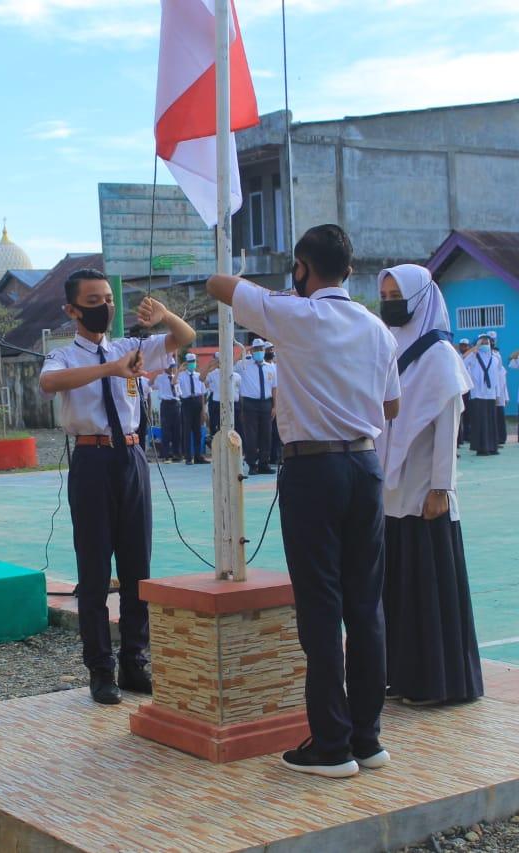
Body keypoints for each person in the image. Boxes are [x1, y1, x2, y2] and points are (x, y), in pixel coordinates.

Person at [208, 224, 399, 779]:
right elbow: (389, 407)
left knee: (321, 606)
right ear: (350, 271)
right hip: (365, 464)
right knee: (365, 606)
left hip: (314, 468)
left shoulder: (294, 313)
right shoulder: (375, 327)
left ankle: (331, 745)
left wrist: (275, 295)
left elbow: (219, 284)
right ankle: (367, 737)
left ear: (301, 268)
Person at [39, 268, 196, 704]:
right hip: (91, 459)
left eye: (108, 299)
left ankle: (134, 662)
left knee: (136, 568)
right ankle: (100, 669)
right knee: (94, 571)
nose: (104, 308)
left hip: (131, 456)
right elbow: (48, 383)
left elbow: (184, 337)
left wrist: (164, 314)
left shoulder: (130, 347)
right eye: (93, 301)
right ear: (72, 310)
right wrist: (110, 369)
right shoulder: (64, 355)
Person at [377, 264, 482, 706]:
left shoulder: (439, 354)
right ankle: (400, 677)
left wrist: (442, 488)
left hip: (424, 493)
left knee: (428, 591)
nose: (389, 304)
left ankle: (436, 684)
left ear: (420, 298)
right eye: (384, 296)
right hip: (390, 491)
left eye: (396, 296)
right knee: (397, 590)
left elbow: (447, 426)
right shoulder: (388, 345)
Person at [235, 338, 277, 475]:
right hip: (250, 403)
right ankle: (252, 464)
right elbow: (231, 364)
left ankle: (264, 463)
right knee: (251, 435)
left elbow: (274, 388)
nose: (259, 352)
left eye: (261, 349)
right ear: (252, 350)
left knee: (266, 435)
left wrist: (275, 406)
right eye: (256, 349)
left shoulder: (271, 367)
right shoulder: (244, 365)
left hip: (266, 403)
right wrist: (244, 352)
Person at [463, 335, 503, 456]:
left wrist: (498, 394)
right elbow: (463, 362)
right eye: (482, 342)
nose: (485, 344)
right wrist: (475, 348)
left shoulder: (495, 358)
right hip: (477, 393)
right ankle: (481, 448)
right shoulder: (473, 356)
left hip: (490, 393)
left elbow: (498, 376)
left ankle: (492, 446)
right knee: (480, 421)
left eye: (487, 342)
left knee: (491, 421)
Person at [177, 353, 208, 464]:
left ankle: (198, 456)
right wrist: (178, 370)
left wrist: (203, 410)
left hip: (197, 402)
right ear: (186, 363)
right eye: (190, 362)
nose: (192, 364)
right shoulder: (181, 376)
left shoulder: (199, 376)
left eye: (193, 361)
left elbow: (203, 393)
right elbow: (173, 382)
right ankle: (188, 457)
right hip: (187, 402)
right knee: (187, 431)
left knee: (197, 431)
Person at [151, 363, 182, 461]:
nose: (171, 369)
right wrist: (155, 373)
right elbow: (150, 384)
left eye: (173, 367)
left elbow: (178, 392)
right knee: (166, 430)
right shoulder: (160, 378)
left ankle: (176, 453)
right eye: (170, 367)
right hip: (166, 404)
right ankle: (166, 454)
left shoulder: (175, 377)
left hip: (175, 403)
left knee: (177, 430)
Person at [487, 331, 508, 447]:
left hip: (498, 391)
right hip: (488, 391)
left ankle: (500, 438)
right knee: (491, 416)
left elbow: (501, 377)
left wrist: (505, 395)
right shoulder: (481, 354)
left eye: (493, 339)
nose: (492, 341)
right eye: (490, 339)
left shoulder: (497, 356)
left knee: (499, 415)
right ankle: (493, 439)